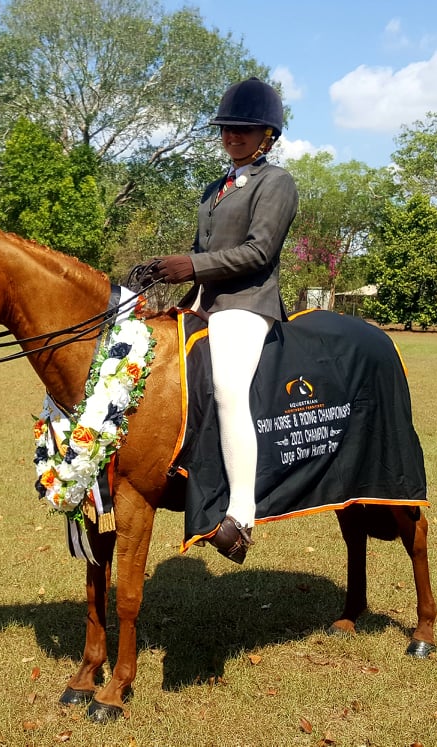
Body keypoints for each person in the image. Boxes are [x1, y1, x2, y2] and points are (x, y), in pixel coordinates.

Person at [150, 77, 299, 564]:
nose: (232, 136)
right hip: (207, 302)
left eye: (244, 129)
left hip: (248, 305)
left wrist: (192, 267)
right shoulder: (214, 189)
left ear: (267, 136)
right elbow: (201, 252)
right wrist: (173, 285)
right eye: (226, 129)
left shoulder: (276, 182)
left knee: (229, 389)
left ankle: (241, 514)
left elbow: (258, 252)